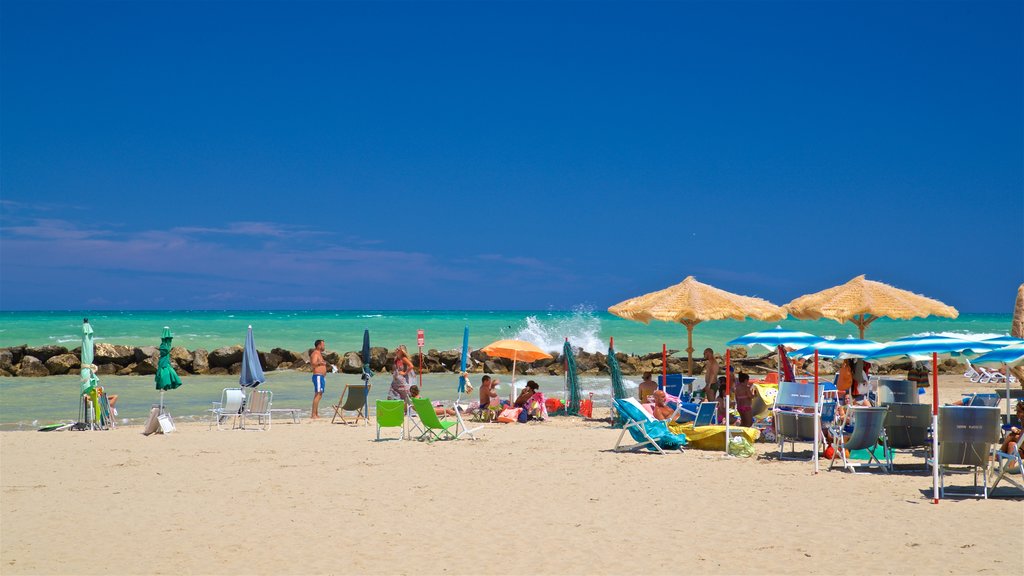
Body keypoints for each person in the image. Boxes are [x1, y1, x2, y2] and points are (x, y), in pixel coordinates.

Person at [310, 339, 327, 419]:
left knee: (319, 395)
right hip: (318, 376)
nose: (324, 346)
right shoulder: (315, 353)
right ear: (319, 345)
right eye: (323, 345)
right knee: (318, 394)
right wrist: (321, 363)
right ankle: (313, 414)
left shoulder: (319, 354)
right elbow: (313, 364)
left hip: (321, 377)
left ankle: (316, 414)